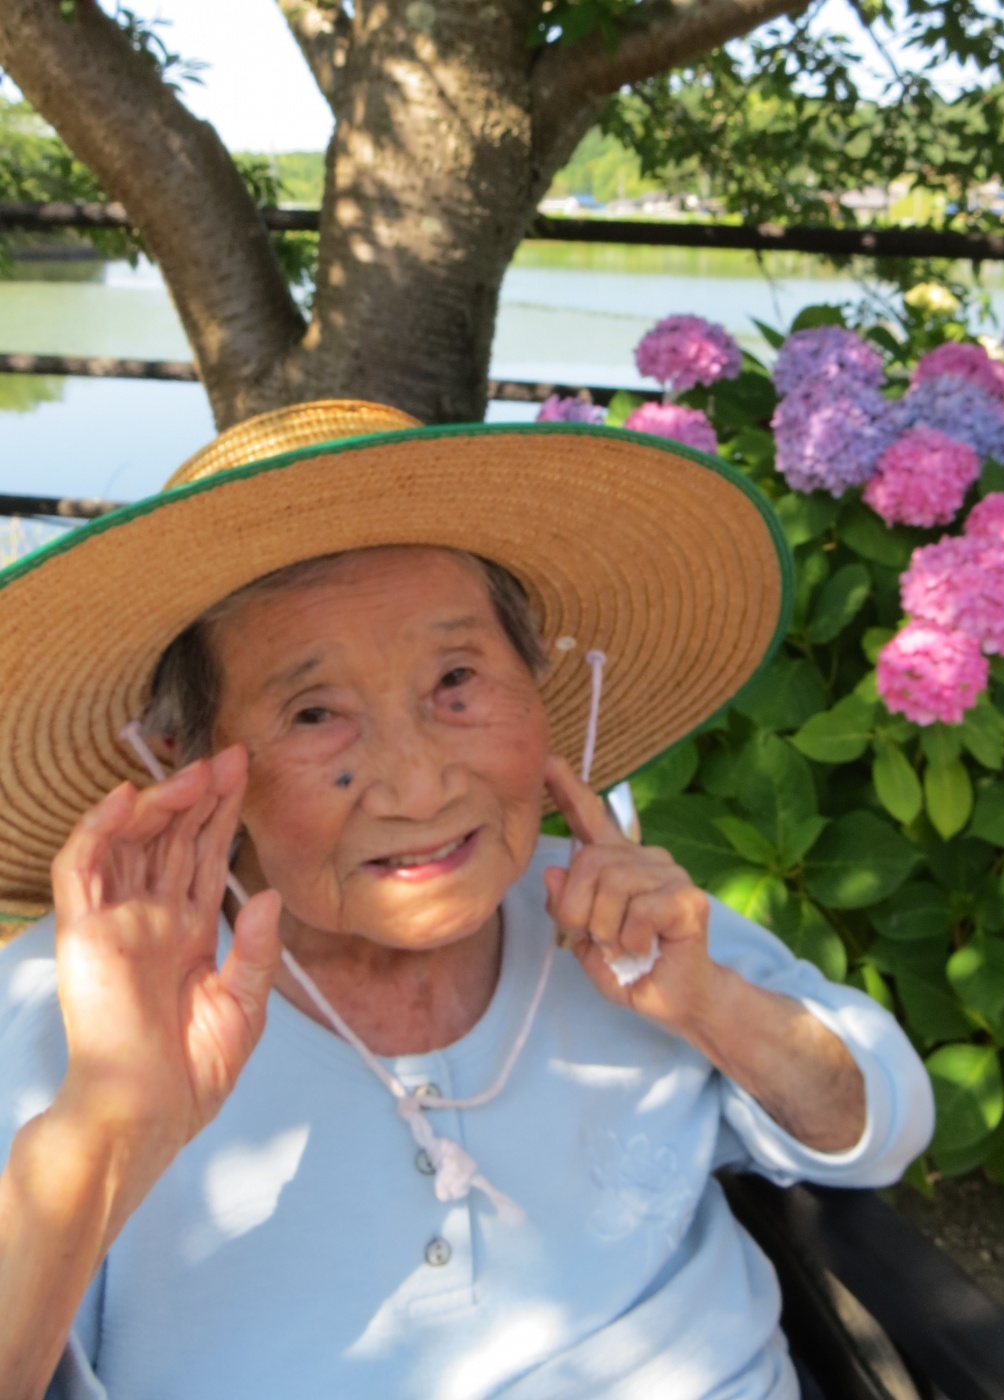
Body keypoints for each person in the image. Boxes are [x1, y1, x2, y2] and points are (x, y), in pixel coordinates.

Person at [0, 401, 934, 1400]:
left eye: (456, 679)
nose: (417, 785)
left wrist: (711, 1003)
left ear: (538, 684)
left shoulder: (608, 911)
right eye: (314, 713)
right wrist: (111, 1125)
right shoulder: (87, 998)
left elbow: (881, 1126)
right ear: (187, 758)